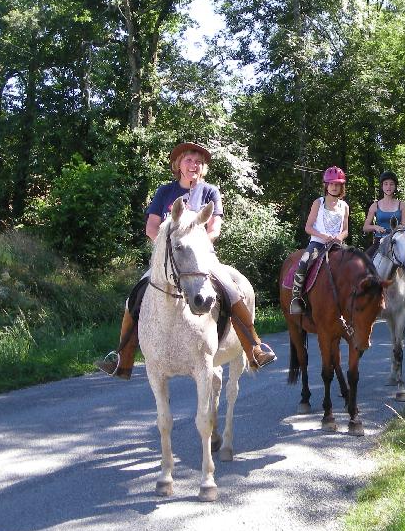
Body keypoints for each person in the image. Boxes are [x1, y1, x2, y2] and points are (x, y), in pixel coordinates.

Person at [94, 141, 276, 378]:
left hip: (202, 260)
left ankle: (254, 348)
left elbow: (215, 229)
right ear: (178, 164)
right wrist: (166, 250)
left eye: (199, 162)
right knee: (134, 297)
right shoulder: (164, 192)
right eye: (189, 160)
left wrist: (199, 248)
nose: (194, 165)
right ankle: (122, 358)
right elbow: (151, 227)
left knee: (232, 290)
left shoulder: (210, 191)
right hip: (168, 260)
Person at [288, 166, 350, 315]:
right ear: (326, 185)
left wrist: (339, 238)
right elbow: (308, 227)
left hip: (336, 245)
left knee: (354, 263)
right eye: (332, 184)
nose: (334, 187)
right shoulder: (319, 203)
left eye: (338, 184)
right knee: (304, 261)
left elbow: (346, 230)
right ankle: (296, 298)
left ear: (342, 186)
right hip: (318, 243)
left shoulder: (344, 206)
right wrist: (323, 236)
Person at [363, 170, 405, 312]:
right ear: (382, 187)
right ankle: (362, 297)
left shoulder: (401, 205)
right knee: (362, 263)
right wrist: (375, 227)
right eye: (385, 184)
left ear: (395, 187)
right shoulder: (375, 206)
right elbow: (365, 227)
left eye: (391, 184)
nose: (388, 187)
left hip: (398, 242)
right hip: (379, 242)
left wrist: (397, 231)